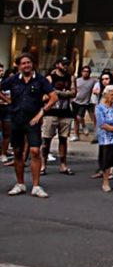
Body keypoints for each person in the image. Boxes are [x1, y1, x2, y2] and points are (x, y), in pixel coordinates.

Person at [5, 54, 57, 198]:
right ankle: (20, 184)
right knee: (17, 152)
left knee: (34, 151)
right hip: (16, 119)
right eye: (23, 63)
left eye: (28, 62)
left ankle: (36, 186)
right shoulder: (14, 79)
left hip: (33, 121)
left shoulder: (40, 80)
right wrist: (7, 100)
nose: (26, 65)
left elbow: (54, 97)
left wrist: (41, 113)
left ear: (32, 64)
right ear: (19, 66)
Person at [41, 56, 76, 176]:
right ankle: (43, 164)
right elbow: (44, 95)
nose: (65, 66)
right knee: (46, 139)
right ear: (57, 65)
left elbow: (73, 93)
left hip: (65, 112)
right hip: (51, 112)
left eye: (66, 64)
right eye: (63, 64)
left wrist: (58, 93)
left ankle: (63, 164)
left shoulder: (70, 78)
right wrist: (59, 94)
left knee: (63, 139)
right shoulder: (50, 78)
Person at [72, 65, 97, 140]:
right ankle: (76, 135)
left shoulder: (93, 81)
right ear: (81, 72)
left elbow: (99, 84)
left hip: (85, 102)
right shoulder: (77, 80)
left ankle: (84, 126)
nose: (85, 73)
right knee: (75, 119)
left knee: (79, 117)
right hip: (75, 101)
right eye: (84, 71)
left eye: (87, 72)